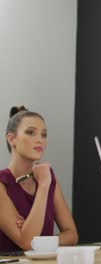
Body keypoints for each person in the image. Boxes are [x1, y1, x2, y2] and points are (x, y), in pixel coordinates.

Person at [0, 106, 78, 251]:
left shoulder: (48, 177)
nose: (39, 140)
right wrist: (43, 186)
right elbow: (26, 243)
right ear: (11, 139)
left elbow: (72, 235)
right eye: (31, 133)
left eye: (43, 135)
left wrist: (38, 240)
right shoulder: (2, 184)